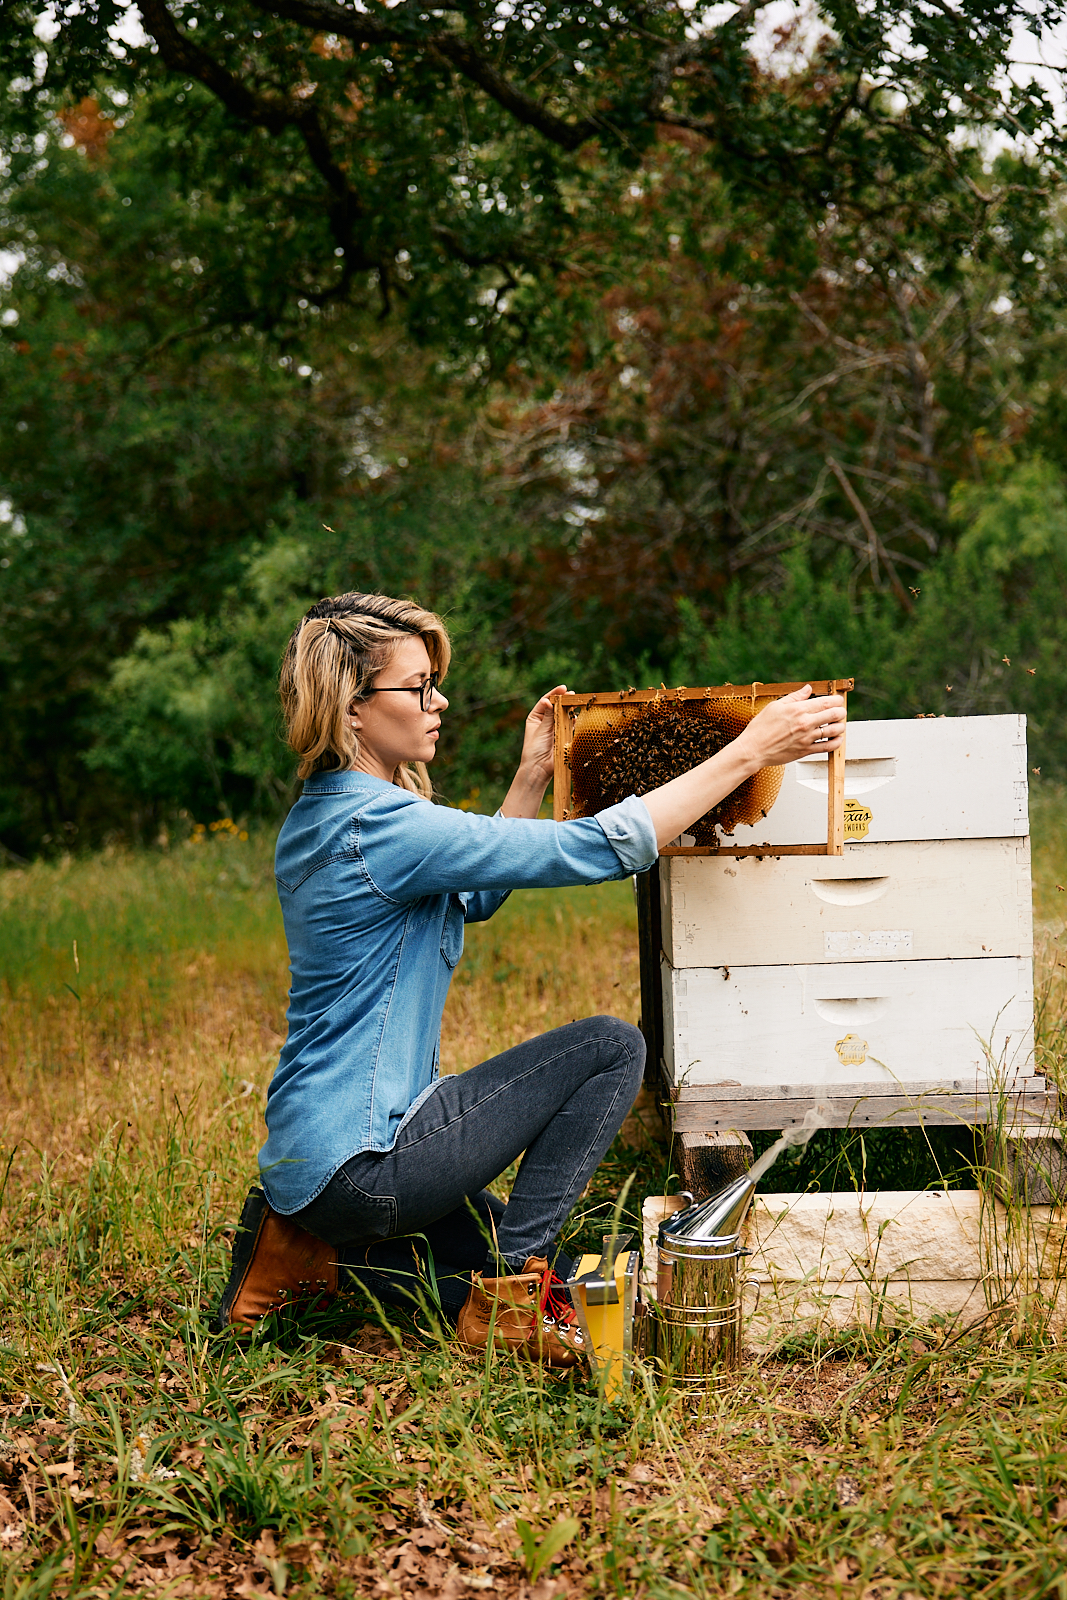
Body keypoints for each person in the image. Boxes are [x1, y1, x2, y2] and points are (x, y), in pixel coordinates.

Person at [213, 592, 846, 1364]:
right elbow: (597, 847)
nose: (438, 700)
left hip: (319, 1160)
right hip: (367, 1159)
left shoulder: (331, 814)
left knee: (489, 1241)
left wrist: (529, 776)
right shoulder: (379, 824)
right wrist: (747, 751)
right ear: (351, 708)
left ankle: (309, 1258)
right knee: (610, 1047)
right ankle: (509, 1303)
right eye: (417, 687)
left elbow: (469, 900)